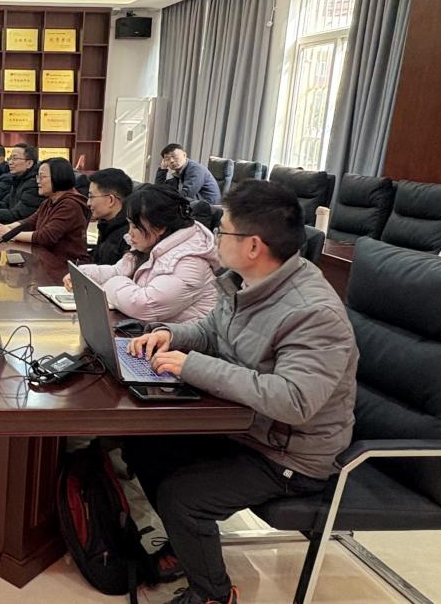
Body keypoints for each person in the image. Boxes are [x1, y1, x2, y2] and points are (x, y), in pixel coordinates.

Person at [122, 180, 358, 604]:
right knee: (144, 445)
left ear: (252, 245)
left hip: (291, 454)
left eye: (222, 230)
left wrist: (193, 366)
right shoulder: (245, 281)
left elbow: (294, 401)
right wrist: (170, 335)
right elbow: (212, 330)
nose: (215, 238)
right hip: (248, 428)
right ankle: (186, 547)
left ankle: (212, 594)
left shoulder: (313, 312)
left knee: (182, 497)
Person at [66, 185, 219, 323]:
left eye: (135, 226)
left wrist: (108, 285)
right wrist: (83, 275)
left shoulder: (191, 263)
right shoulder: (151, 245)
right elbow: (118, 270)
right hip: (148, 334)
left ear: (160, 227)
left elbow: (144, 305)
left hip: (178, 343)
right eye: (129, 224)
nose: (129, 233)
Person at [0, 158, 89, 263]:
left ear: (59, 177)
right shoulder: (49, 201)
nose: (38, 181)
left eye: (42, 177)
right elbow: (30, 222)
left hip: (66, 265)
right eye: (37, 177)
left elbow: (45, 237)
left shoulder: (70, 204)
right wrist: (3, 228)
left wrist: (8, 234)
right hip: (47, 259)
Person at [88, 169, 133, 266]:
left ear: (111, 200)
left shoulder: (130, 235)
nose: (88, 203)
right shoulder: (107, 226)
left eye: (91, 197)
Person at [155, 144, 221, 205]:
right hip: (192, 205)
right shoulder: (178, 174)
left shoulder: (195, 169)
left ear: (184, 155)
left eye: (174, 156)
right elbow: (159, 190)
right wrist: (162, 169)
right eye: (167, 159)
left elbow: (187, 194)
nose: (171, 161)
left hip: (208, 208)